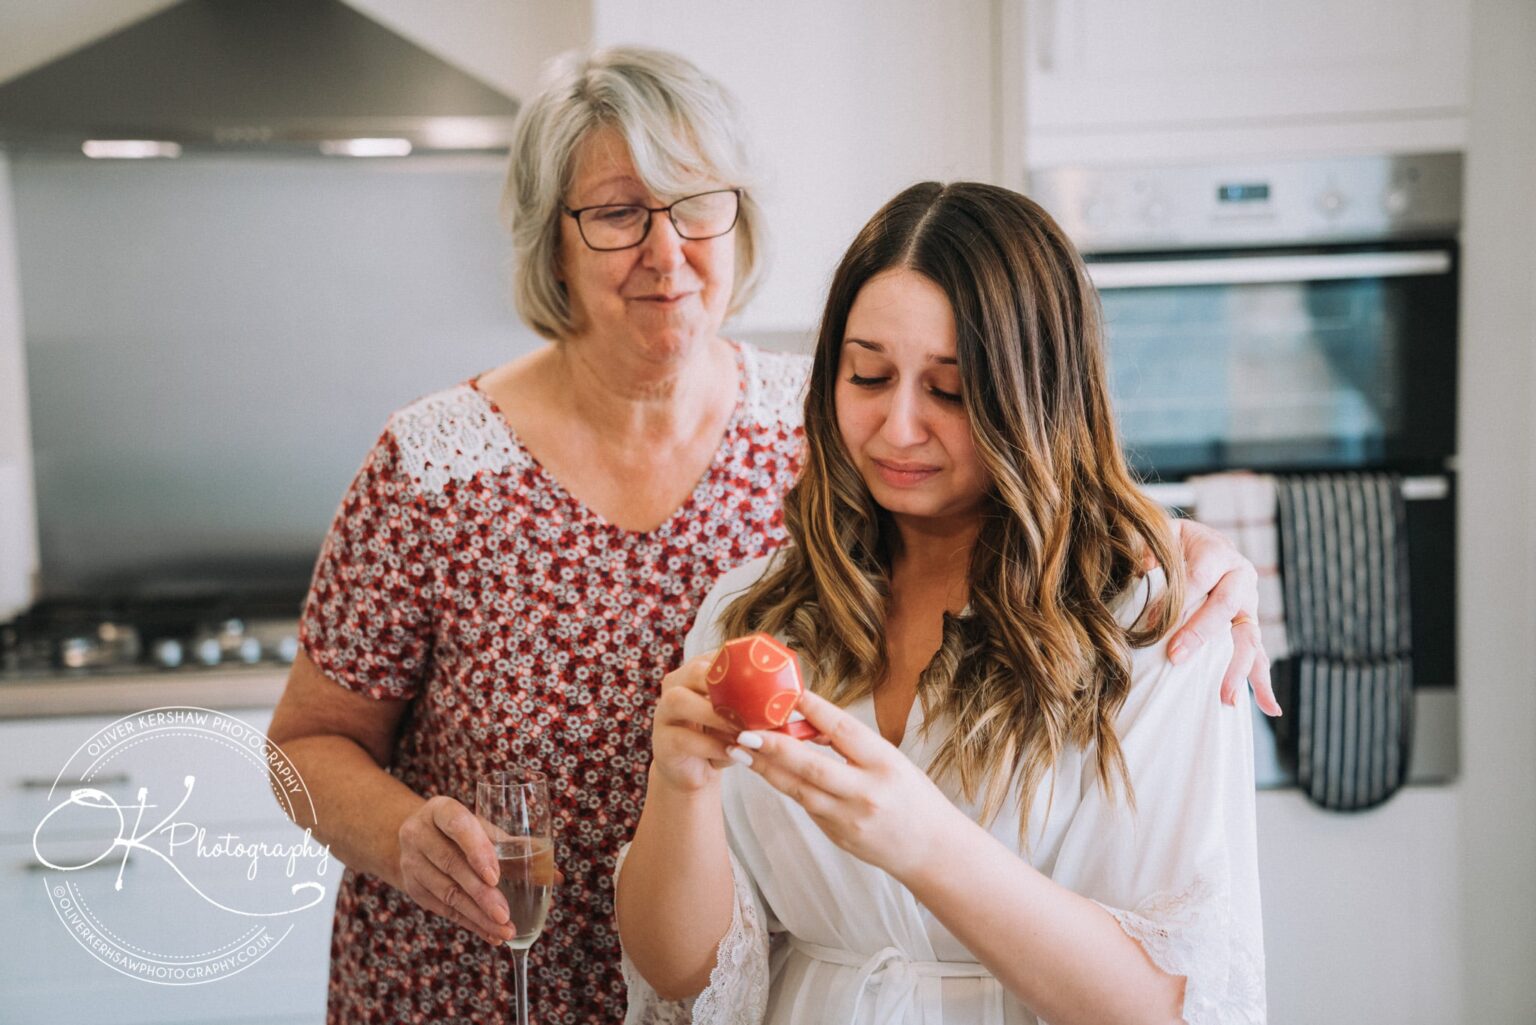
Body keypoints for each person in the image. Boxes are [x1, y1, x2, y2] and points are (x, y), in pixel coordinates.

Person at [266, 49, 1273, 1025]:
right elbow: (303, 743)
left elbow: (1041, 482)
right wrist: (402, 836)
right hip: (484, 983)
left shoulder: (824, 425)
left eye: (698, 205)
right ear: (550, 242)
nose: (667, 252)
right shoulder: (438, 467)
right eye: (618, 213)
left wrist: (1182, 547)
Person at [616, 181, 1266, 1025]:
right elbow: (683, 976)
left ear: (1038, 396)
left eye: (950, 391)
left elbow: (1166, 1007)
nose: (898, 427)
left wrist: (924, 843)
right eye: (869, 375)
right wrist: (678, 785)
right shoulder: (752, 610)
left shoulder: (1158, 624)